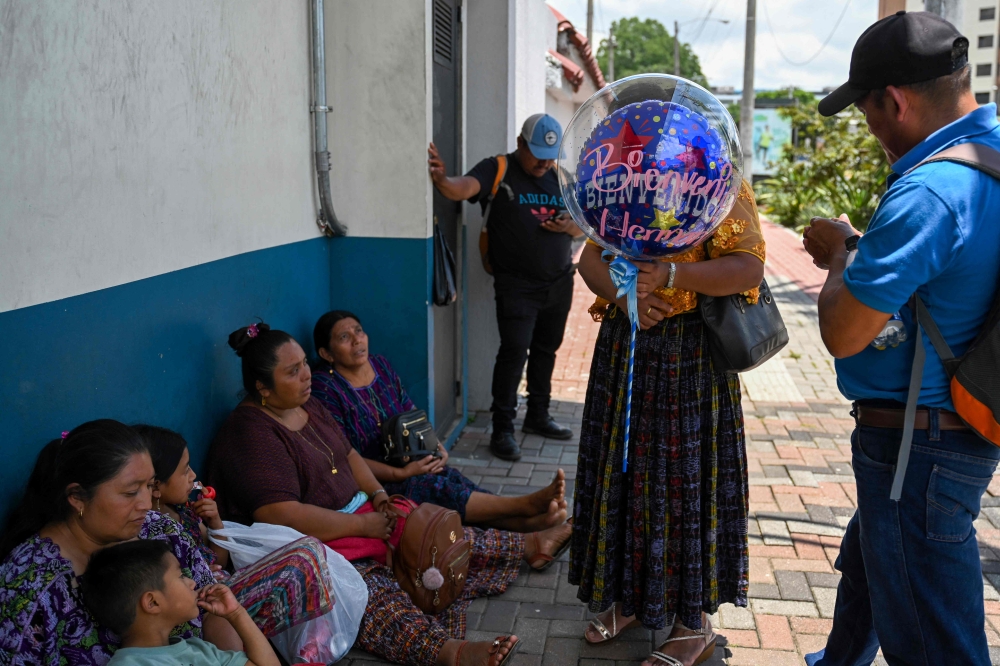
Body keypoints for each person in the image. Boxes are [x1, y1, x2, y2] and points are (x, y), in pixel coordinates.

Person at [801, 12, 1000, 666]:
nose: (872, 129)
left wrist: (839, 252)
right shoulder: (990, 156)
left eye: (865, 113)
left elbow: (843, 331)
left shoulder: (932, 192)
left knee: (933, 637)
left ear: (895, 101)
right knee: (870, 570)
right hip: (951, 429)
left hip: (919, 447)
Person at [206, 322, 574, 666]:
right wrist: (365, 525)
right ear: (263, 388)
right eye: (292, 371)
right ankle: (450, 652)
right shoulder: (250, 434)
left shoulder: (306, 403)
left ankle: (530, 546)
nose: (306, 376)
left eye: (304, 364)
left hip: (359, 516)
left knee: (429, 535)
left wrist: (380, 496)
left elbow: (349, 454)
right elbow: (281, 515)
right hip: (313, 546)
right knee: (369, 595)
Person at [571, 178, 765, 666]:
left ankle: (692, 623)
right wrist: (624, 296)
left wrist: (673, 275)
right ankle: (633, 598)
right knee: (626, 475)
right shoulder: (628, 178)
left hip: (692, 358)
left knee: (685, 483)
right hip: (627, 347)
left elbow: (747, 268)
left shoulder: (720, 182)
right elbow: (590, 260)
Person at [0, 420, 333, 664]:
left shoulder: (157, 529)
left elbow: (210, 610)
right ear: (77, 498)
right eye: (131, 492)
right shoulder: (30, 586)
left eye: (149, 486)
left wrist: (231, 660)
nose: (146, 503)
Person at [310, 309, 569, 532]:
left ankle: (525, 523)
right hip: (373, 479)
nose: (357, 340)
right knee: (430, 487)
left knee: (450, 478)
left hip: (408, 463)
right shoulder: (325, 388)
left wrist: (437, 448)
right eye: (344, 337)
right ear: (327, 353)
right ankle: (525, 506)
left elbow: (411, 412)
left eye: (359, 331)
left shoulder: (380, 365)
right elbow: (344, 455)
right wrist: (400, 473)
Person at [428, 113, 583, 461]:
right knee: (515, 352)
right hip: (516, 285)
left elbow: (583, 224)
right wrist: (442, 180)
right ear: (520, 144)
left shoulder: (559, 177)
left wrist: (568, 227)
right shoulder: (497, 168)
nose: (544, 161)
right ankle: (502, 429)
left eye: (551, 153)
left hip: (559, 281)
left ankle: (538, 416)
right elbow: (463, 188)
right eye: (538, 153)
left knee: (547, 350)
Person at [81, 540, 279, 666]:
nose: (192, 582)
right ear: (152, 602)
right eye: (180, 576)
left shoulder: (200, 650)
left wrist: (236, 613)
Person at [136, 425, 229, 573]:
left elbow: (220, 562)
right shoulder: (150, 536)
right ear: (155, 487)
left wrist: (215, 523)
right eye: (185, 471)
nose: (193, 475)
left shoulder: (184, 512)